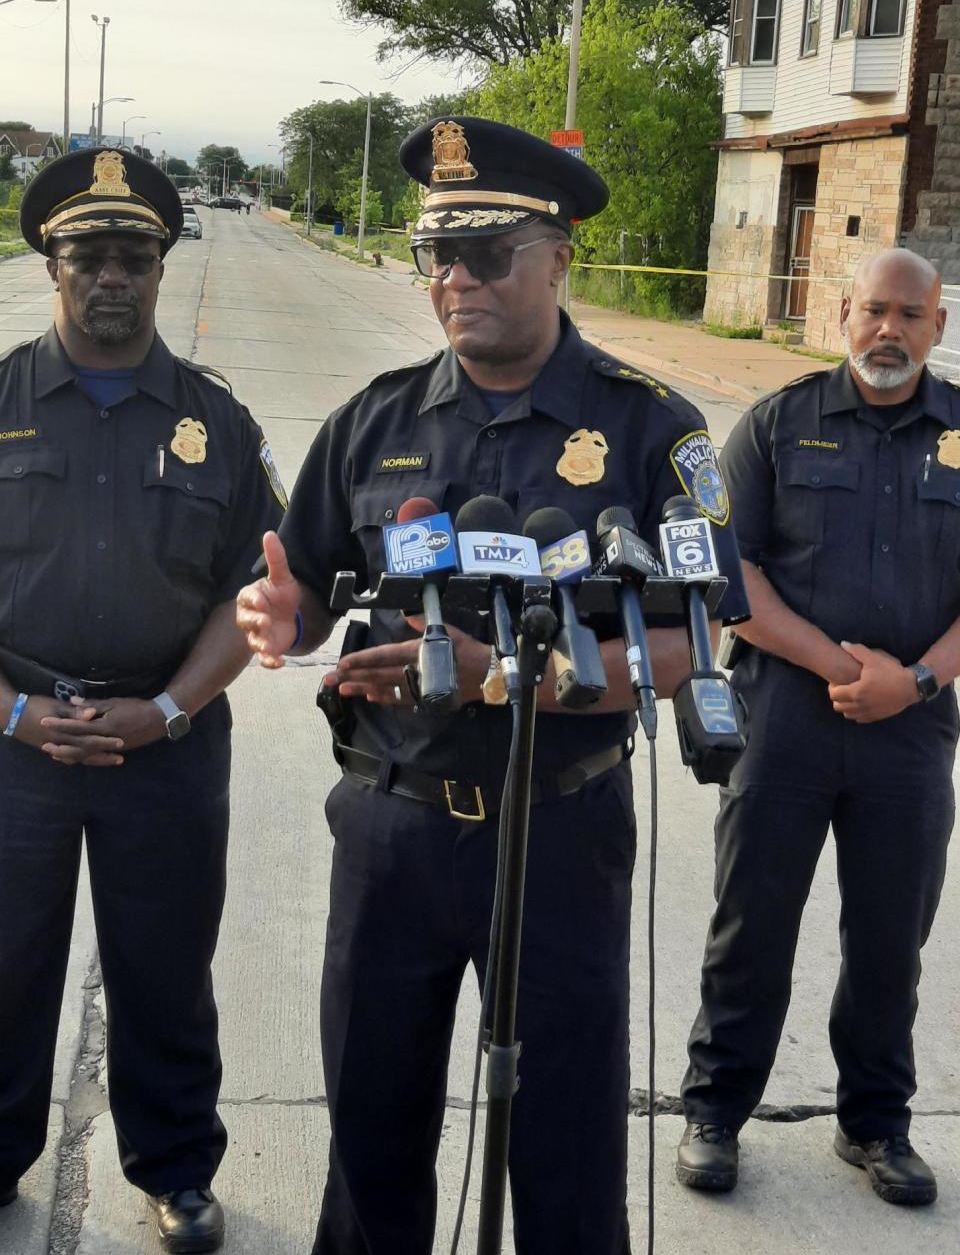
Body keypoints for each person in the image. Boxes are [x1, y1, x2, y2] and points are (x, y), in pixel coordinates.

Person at [237, 115, 748, 1255]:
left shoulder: (650, 428)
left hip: (558, 829)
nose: (454, 281)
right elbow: (313, 585)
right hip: (391, 830)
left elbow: (696, 638)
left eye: (486, 255)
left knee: (564, 1142)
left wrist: (501, 676)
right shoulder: (373, 419)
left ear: (559, 257)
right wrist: (282, 613)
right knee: (372, 1132)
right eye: (436, 256)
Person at [0, 148, 285, 1253]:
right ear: (53, 268)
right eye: (88, 255)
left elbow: (254, 585)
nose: (111, 273)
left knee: (164, 965)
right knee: (5, 961)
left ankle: (175, 1168)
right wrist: (15, 715)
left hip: (164, 744)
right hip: (16, 739)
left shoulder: (218, 418)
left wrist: (167, 708)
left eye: (134, 254)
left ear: (164, 267)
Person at [676, 248, 957, 1207]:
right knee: (751, 925)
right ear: (843, 314)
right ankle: (715, 1111)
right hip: (783, 719)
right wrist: (846, 670)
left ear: (937, 327)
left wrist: (914, 680)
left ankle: (875, 1124)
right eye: (874, 311)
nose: (890, 331)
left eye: (910, 316)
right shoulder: (777, 424)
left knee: (891, 939)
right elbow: (729, 577)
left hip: (912, 733)